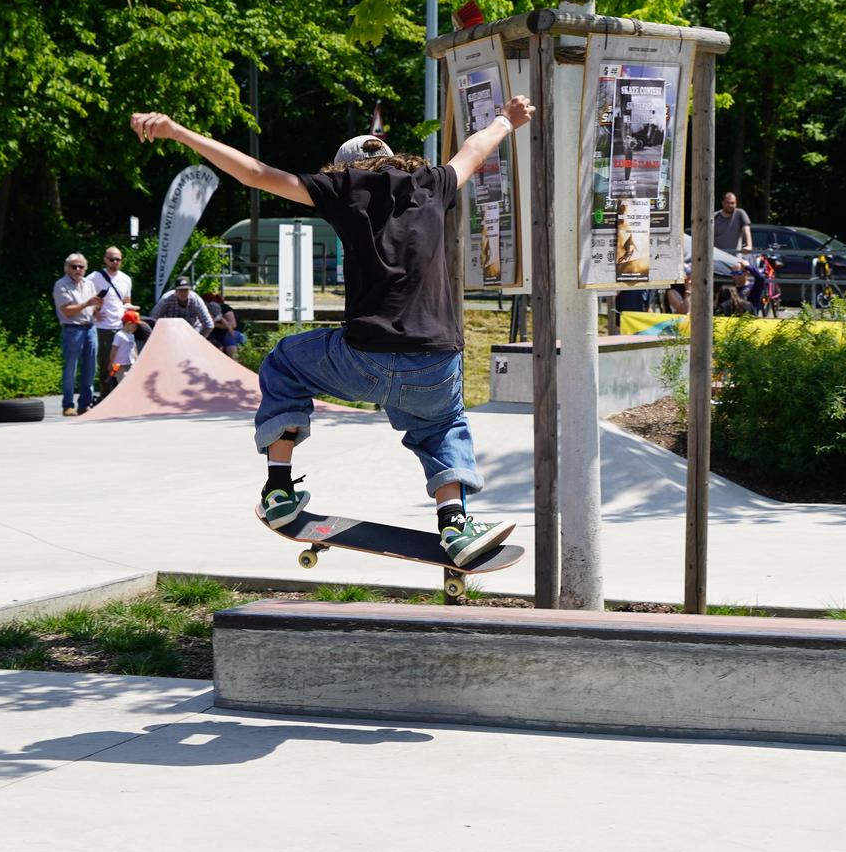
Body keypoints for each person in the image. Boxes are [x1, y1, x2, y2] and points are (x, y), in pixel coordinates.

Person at [129, 101, 525, 566]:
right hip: (435, 361)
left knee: (285, 361)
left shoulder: (341, 186)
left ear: (346, 166)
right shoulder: (432, 183)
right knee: (442, 425)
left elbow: (256, 173)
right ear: (392, 157)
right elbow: (475, 150)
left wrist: (179, 131)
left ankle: (278, 489)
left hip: (363, 358)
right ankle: (455, 525)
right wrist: (507, 118)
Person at [52, 252, 101, 415]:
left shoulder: (89, 284)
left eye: (81, 267)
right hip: (72, 328)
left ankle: (85, 404)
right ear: (67, 268)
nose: (78, 269)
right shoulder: (61, 285)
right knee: (70, 367)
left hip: (90, 327)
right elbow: (67, 311)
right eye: (74, 266)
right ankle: (68, 404)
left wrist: (97, 307)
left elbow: (92, 309)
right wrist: (87, 303)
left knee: (90, 368)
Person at [86, 245, 138, 389]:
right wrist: (93, 311)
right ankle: (105, 397)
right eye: (112, 259)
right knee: (106, 365)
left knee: (123, 364)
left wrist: (130, 316)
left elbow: (127, 302)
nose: (115, 262)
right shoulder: (94, 277)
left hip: (122, 327)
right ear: (105, 260)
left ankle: (120, 395)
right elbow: (83, 297)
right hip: (103, 327)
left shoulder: (126, 279)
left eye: (118, 259)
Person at [149, 275, 214, 335]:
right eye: (181, 290)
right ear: (175, 290)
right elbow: (153, 319)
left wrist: (199, 340)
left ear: (190, 290)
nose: (183, 293)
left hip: (192, 331)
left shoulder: (196, 300)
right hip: (170, 332)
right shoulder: (166, 299)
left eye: (186, 290)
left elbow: (209, 324)